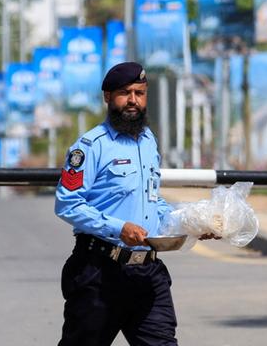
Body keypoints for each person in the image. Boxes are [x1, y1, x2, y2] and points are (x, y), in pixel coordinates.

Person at [55, 61, 188, 345]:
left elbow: (152, 200)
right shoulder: (90, 147)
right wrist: (119, 228)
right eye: (125, 93)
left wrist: (189, 222)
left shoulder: (148, 142)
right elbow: (67, 203)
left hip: (148, 273)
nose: (133, 101)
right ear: (107, 97)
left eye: (139, 93)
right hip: (100, 273)